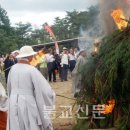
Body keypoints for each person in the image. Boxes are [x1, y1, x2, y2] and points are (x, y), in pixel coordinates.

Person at [7, 46, 55, 130]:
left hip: (13, 101)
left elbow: (9, 87)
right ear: (29, 56)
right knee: (30, 123)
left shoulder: (13, 69)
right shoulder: (31, 70)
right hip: (27, 102)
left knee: (16, 124)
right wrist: (52, 94)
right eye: (32, 55)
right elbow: (45, 91)